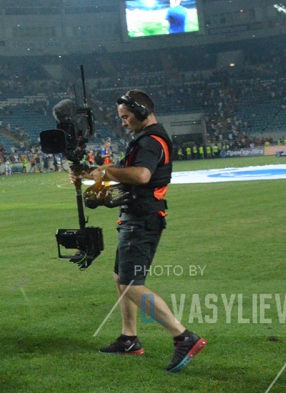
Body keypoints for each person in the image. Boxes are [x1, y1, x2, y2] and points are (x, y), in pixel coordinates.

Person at [72, 90, 206, 373]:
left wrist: (105, 172)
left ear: (142, 111)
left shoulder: (151, 140)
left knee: (132, 284)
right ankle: (129, 339)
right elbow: (129, 175)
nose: (123, 122)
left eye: (126, 116)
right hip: (136, 217)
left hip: (142, 220)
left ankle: (183, 336)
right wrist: (89, 174)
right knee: (121, 279)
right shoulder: (146, 139)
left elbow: (142, 175)